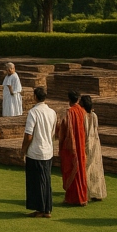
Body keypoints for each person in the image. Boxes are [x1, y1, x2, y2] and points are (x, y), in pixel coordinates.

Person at [18, 87, 56, 218]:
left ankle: (40, 209)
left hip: (35, 151)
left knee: (36, 181)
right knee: (46, 179)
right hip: (48, 150)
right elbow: (52, 132)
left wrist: (23, 150)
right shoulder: (52, 112)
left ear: (35, 97)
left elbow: (29, 135)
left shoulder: (33, 112)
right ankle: (47, 209)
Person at [56, 90, 88, 206]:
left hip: (70, 147)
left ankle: (72, 198)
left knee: (71, 170)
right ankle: (82, 196)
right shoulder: (83, 112)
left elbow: (62, 130)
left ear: (69, 100)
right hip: (81, 145)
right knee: (81, 170)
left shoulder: (69, 113)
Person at [79, 95, 108, 202]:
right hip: (95, 143)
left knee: (87, 168)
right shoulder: (94, 115)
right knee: (95, 168)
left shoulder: (83, 116)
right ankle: (95, 193)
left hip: (87, 142)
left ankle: (87, 192)